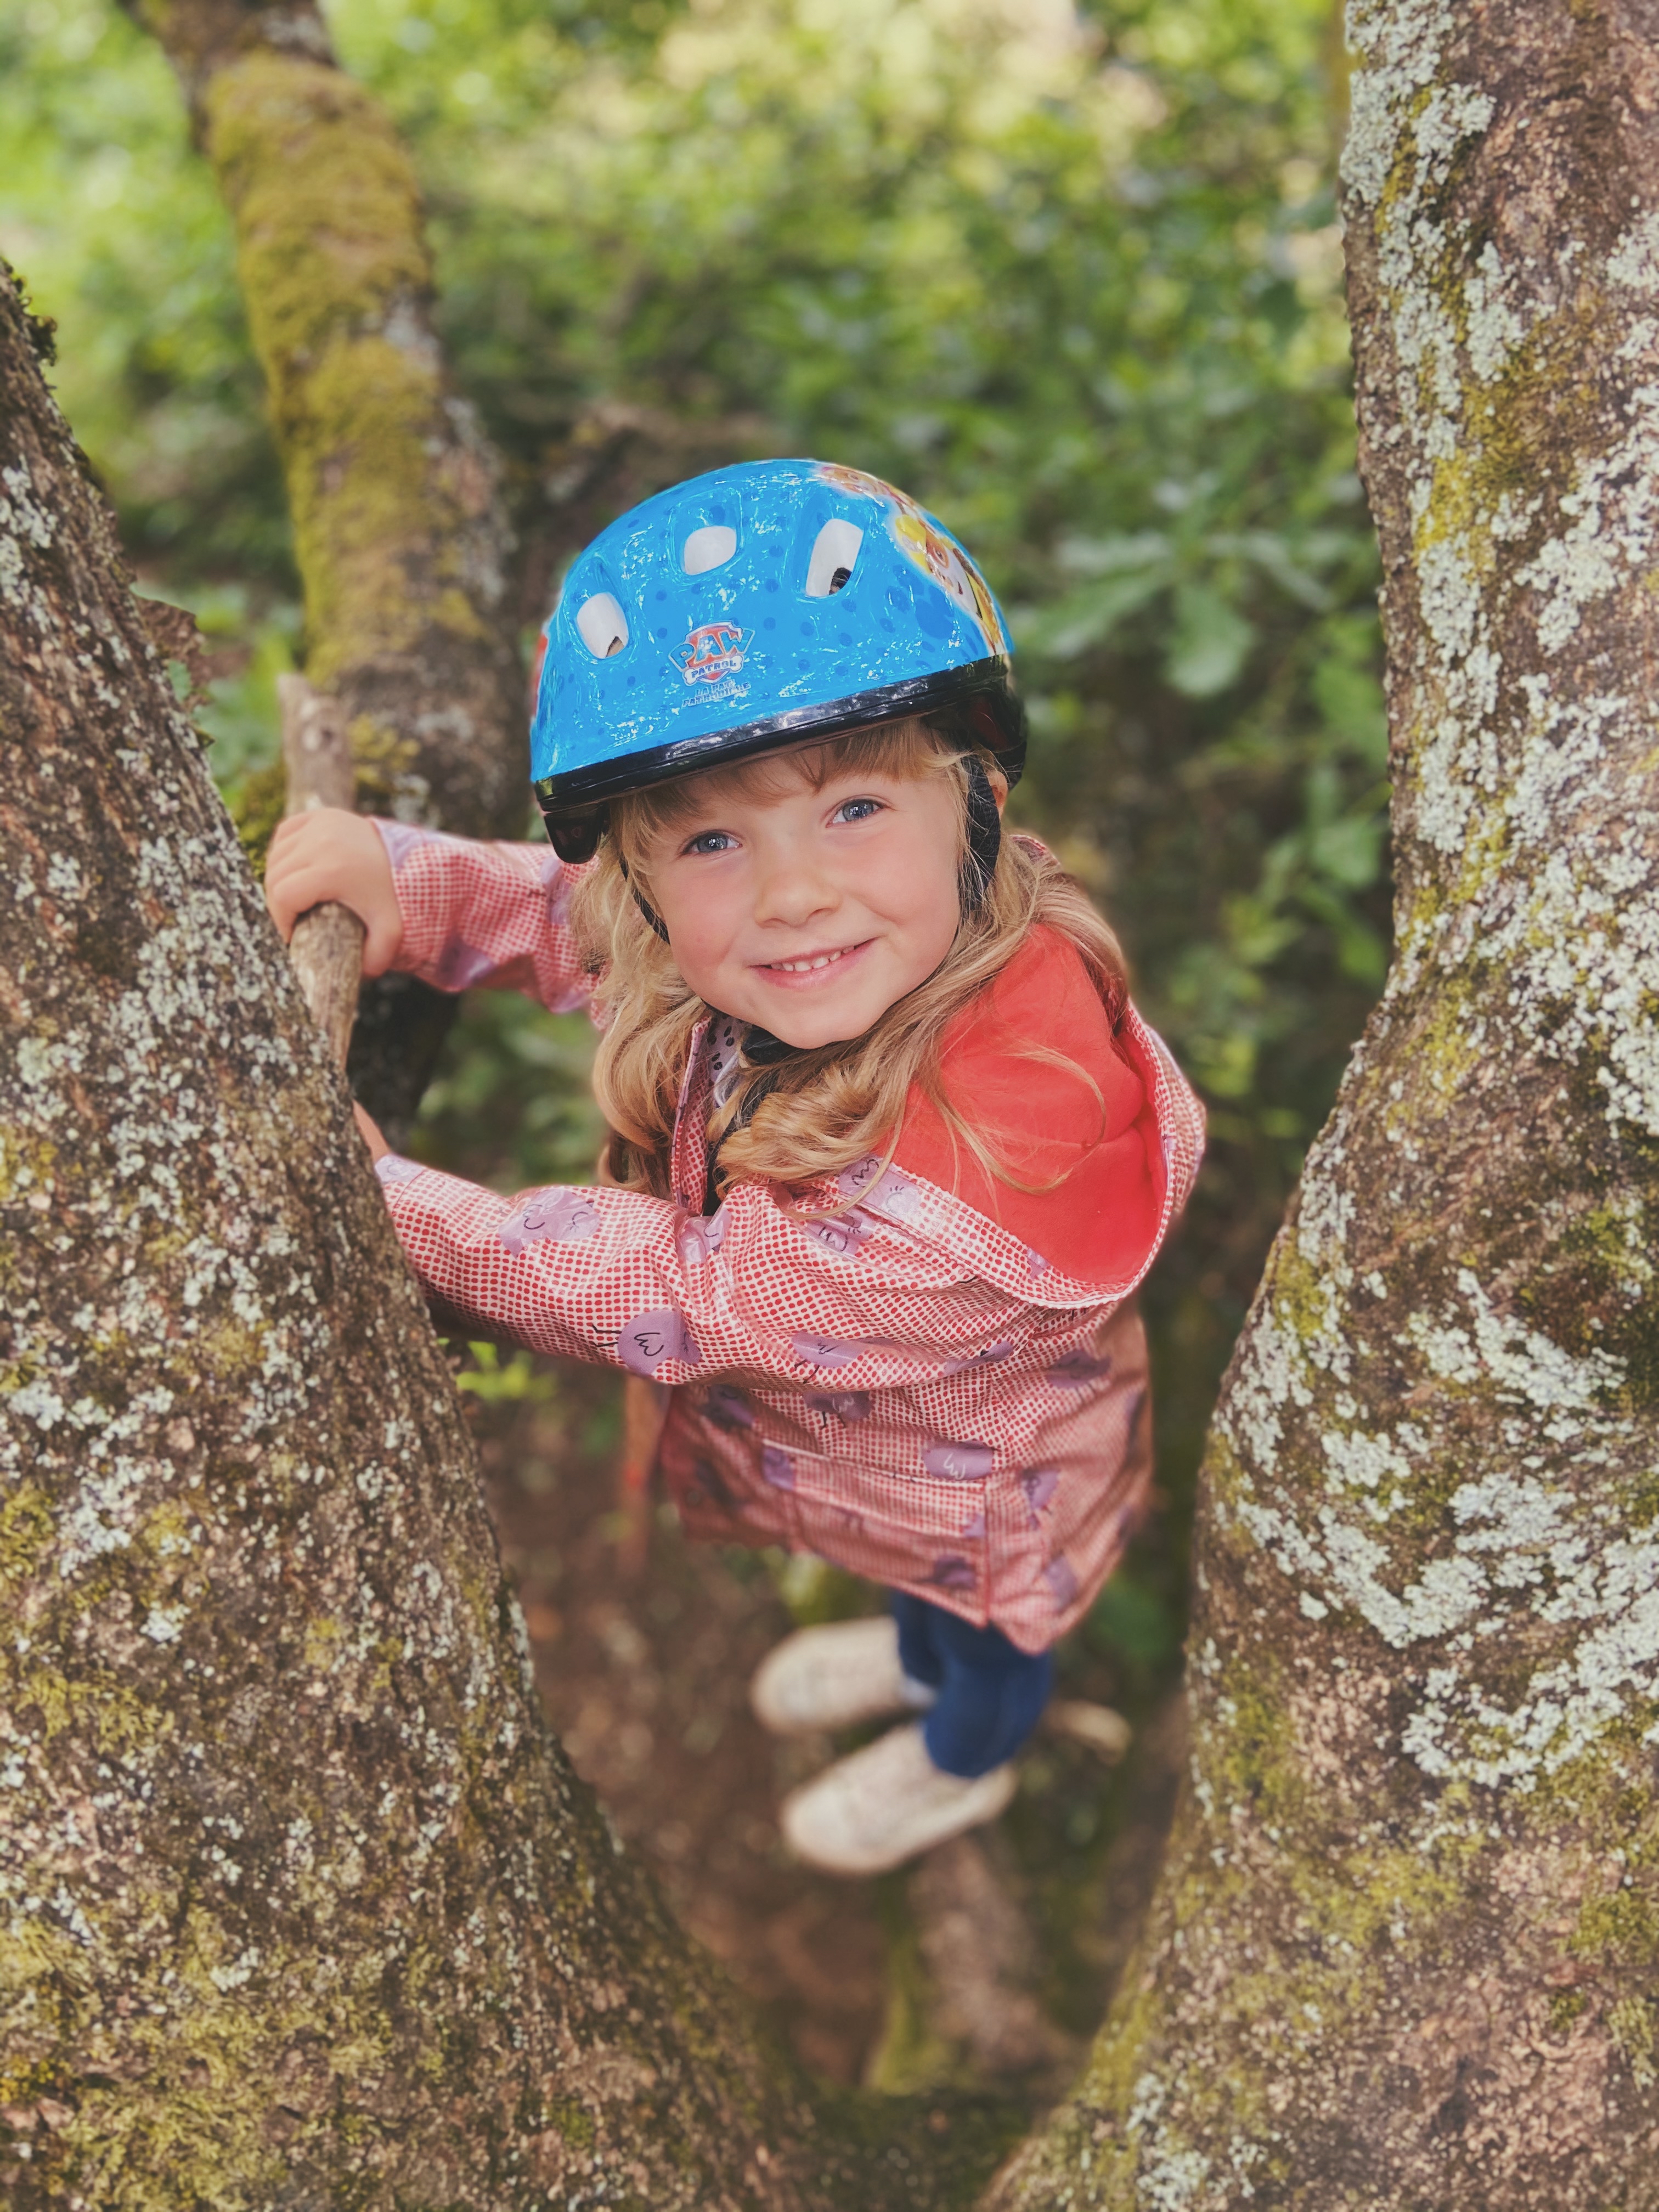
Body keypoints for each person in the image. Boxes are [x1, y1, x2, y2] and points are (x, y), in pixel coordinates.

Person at [265, 458, 1204, 1876]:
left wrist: (393, 1207)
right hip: (884, 1479)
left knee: (990, 1636)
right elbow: (611, 935)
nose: (789, 893)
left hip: (996, 1501)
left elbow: (684, 1290)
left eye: (852, 810)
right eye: (711, 835)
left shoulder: (979, 1170)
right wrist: (420, 887)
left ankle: (962, 1758)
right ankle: (910, 1660)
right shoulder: (852, 940)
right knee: (914, 1599)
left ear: (979, 798)